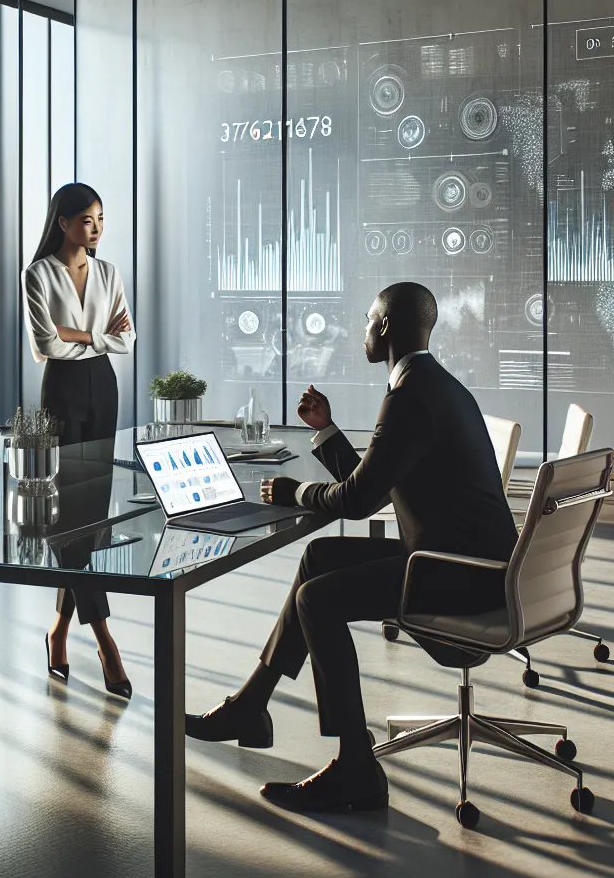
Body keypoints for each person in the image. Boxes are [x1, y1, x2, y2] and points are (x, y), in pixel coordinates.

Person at [184, 281, 518, 812]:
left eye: (367, 319)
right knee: (319, 558)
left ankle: (356, 765)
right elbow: (380, 482)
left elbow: (360, 500)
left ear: (384, 327)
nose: (362, 329)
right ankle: (252, 704)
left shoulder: (409, 396)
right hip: (465, 561)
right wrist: (328, 430)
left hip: (456, 575)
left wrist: (296, 492)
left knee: (317, 599)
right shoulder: (436, 385)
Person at [22, 182, 136, 699]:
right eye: (87, 219)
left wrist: (80, 335)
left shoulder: (109, 273)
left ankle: (60, 629)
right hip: (64, 392)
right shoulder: (38, 274)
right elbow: (45, 345)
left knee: (90, 518)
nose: (96, 228)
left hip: (102, 386)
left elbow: (127, 340)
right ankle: (106, 640)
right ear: (63, 222)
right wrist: (95, 334)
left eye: (101, 218)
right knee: (70, 516)